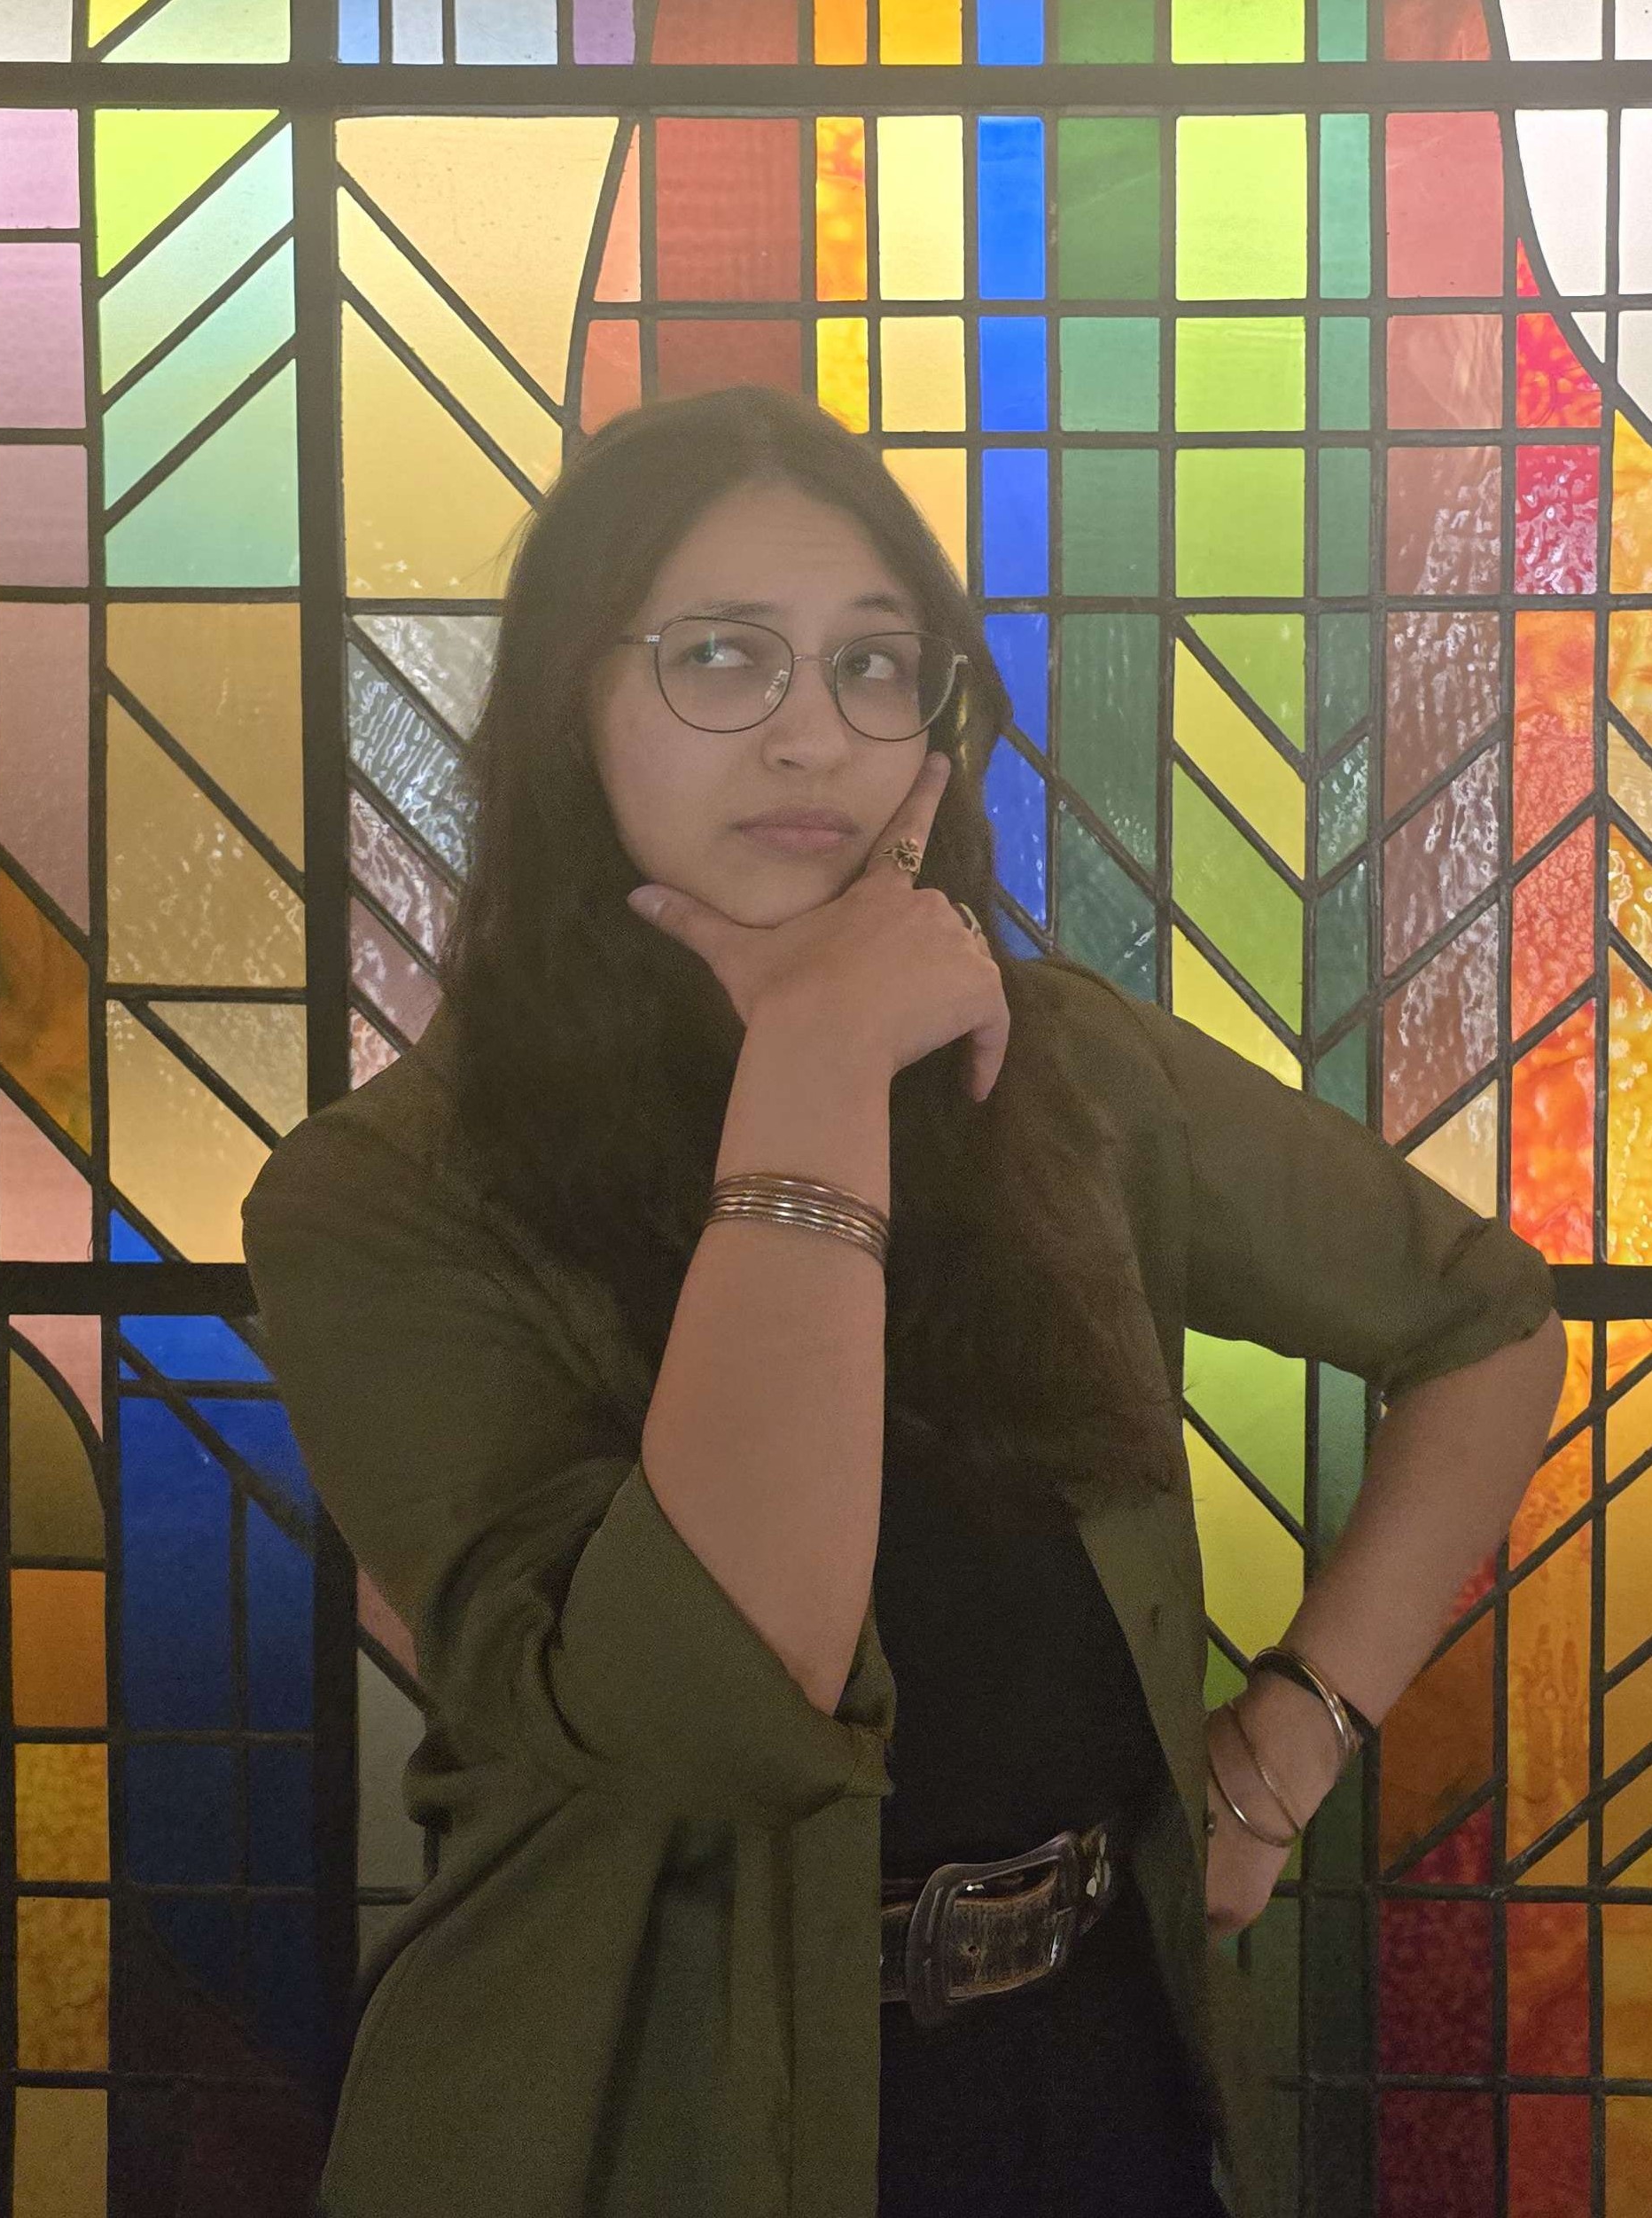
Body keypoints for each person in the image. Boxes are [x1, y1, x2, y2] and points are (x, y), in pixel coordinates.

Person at [240, 384, 1568, 2218]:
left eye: (874, 665)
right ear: (568, 707)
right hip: (644, 2112)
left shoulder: (1062, 1073)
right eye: (722, 655)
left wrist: (1290, 1742)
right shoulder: (384, 1200)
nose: (813, 733)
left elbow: (1486, 1320)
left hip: (1098, 2071)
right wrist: (812, 1069)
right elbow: (722, 1706)